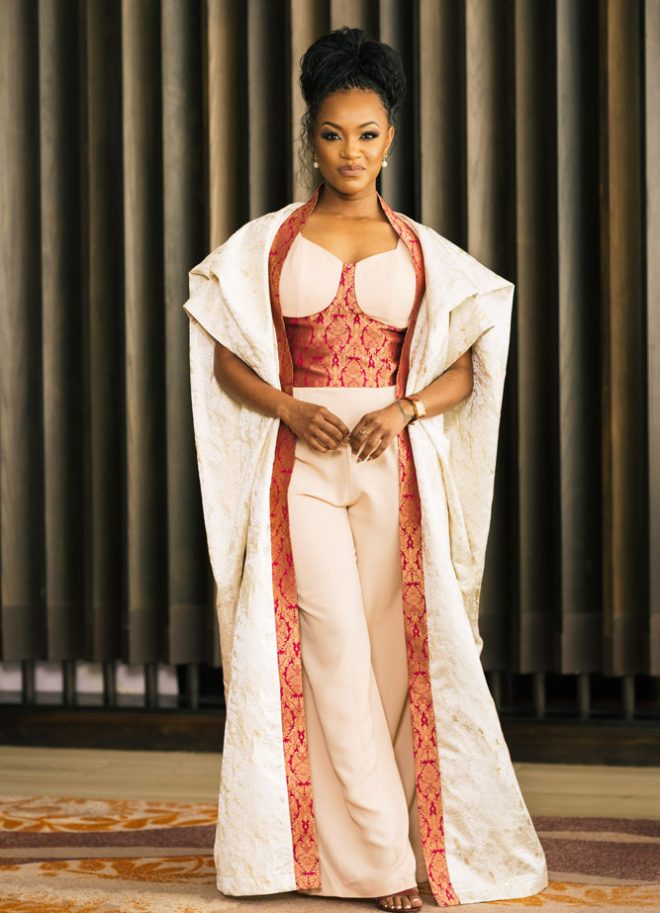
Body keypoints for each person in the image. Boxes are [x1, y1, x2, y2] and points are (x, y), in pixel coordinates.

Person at [182, 26, 548, 912]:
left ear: (392, 139)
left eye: (369, 133)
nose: (351, 151)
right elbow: (223, 352)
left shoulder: (424, 251)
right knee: (332, 648)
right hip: (301, 465)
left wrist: (405, 408)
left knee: (393, 659)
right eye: (334, 133)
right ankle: (382, 864)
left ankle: (382, 846)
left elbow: (470, 363)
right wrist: (286, 406)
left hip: (395, 470)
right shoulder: (268, 244)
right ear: (310, 137)